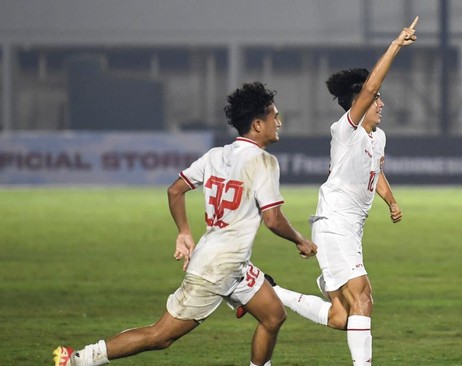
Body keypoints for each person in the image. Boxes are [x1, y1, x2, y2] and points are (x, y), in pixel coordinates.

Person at [52, 81, 318, 366]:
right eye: (274, 116)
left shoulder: (216, 155)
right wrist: (300, 240)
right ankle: (80, 359)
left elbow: (175, 190)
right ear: (257, 124)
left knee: (273, 316)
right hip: (217, 268)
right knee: (160, 336)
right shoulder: (264, 162)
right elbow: (273, 219)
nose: (279, 122)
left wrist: (184, 232)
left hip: (230, 262)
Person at [239, 17, 417, 366]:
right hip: (335, 223)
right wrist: (396, 45)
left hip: (351, 227)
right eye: (377, 99)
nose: (381, 103)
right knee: (363, 296)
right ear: (361, 103)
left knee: (343, 317)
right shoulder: (344, 130)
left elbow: (375, 170)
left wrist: (391, 201)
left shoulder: (376, 137)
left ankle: (268, 291)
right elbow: (367, 91)